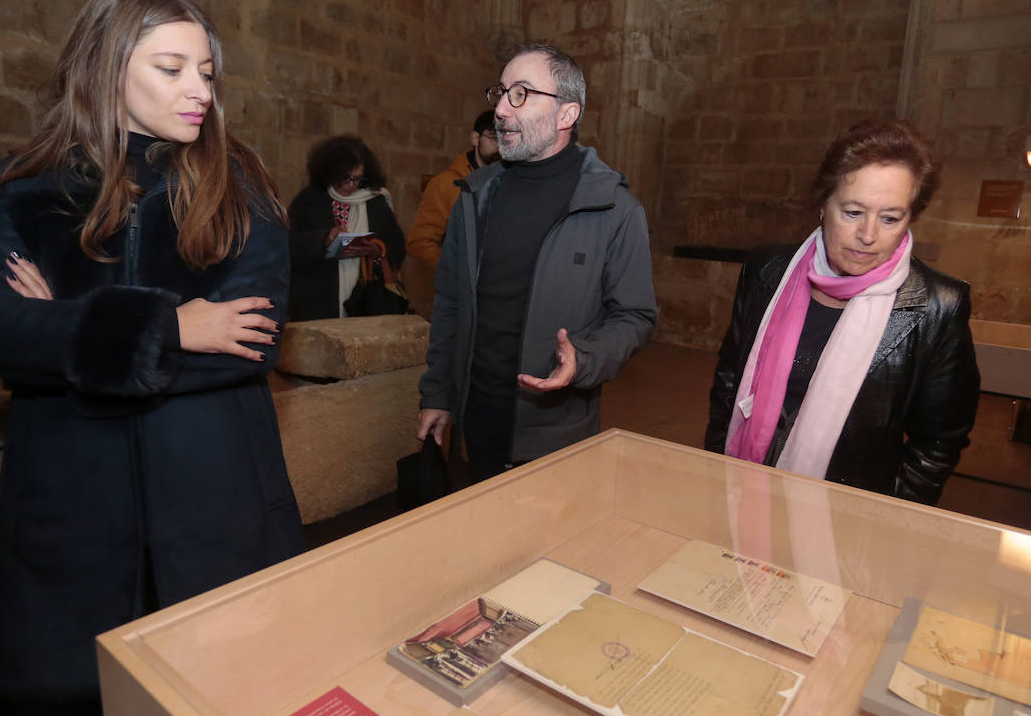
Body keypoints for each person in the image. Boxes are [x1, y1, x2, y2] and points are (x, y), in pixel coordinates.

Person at [0, 0, 305, 716]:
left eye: (208, 73)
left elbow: (251, 339)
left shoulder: (242, 191)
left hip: (216, 514)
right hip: (71, 523)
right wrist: (177, 329)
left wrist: (65, 335)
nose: (198, 92)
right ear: (109, 71)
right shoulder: (20, 189)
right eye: (173, 67)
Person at [704, 119, 978, 505]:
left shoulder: (938, 306)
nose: (868, 235)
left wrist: (882, 518)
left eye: (889, 218)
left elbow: (937, 442)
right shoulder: (767, 271)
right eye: (852, 212)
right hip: (742, 490)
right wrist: (715, 470)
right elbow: (729, 383)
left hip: (848, 515)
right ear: (823, 204)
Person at [416, 42, 656, 482]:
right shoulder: (471, 199)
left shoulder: (615, 210)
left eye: (521, 94)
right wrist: (438, 394)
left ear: (567, 114)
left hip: (555, 435)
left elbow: (635, 315)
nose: (501, 110)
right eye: (501, 93)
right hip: (477, 426)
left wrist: (583, 359)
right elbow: (449, 304)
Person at [286, 135, 406, 320]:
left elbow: (398, 248)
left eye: (357, 179)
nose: (350, 185)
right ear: (330, 172)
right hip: (317, 303)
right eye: (344, 178)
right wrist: (324, 239)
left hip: (366, 302)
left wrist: (376, 251)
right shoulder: (309, 200)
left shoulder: (376, 203)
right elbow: (287, 247)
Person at [406, 109, 501, 274]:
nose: (499, 146)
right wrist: (457, 273)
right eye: (493, 138)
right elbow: (419, 243)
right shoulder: (445, 184)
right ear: (475, 138)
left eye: (504, 139)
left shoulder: (505, 182)